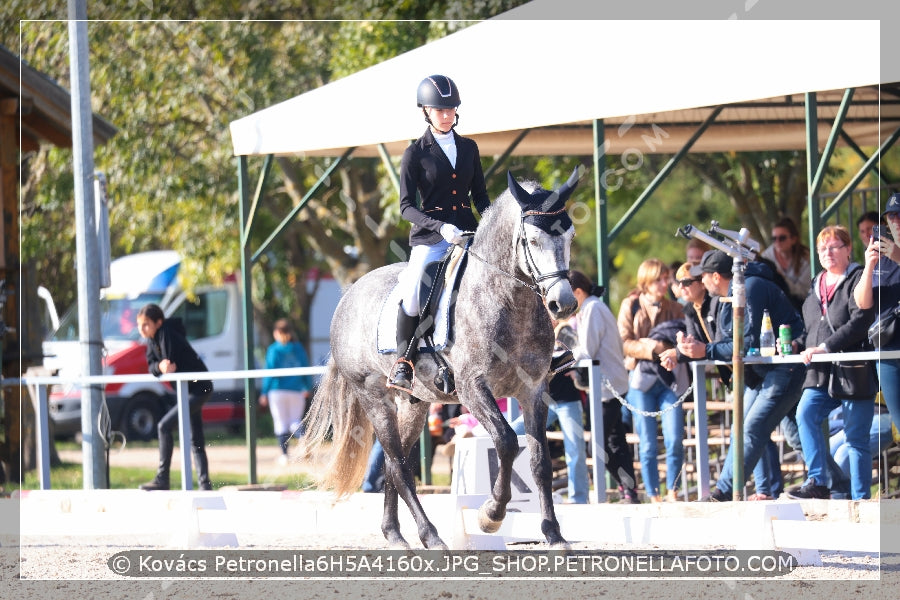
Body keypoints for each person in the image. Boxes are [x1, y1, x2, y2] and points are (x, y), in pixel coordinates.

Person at [387, 74, 490, 392]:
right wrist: (440, 226)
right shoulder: (415, 153)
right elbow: (406, 207)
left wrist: (490, 223)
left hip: (469, 232)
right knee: (415, 290)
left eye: (451, 110)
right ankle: (404, 361)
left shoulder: (469, 147)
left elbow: (481, 197)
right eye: (440, 110)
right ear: (426, 112)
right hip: (431, 237)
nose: (447, 115)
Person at [678, 250, 807, 502]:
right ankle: (833, 482)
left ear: (716, 277)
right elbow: (731, 342)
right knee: (782, 434)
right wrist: (692, 348)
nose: (700, 282)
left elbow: (743, 342)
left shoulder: (748, 288)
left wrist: (704, 350)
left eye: (702, 276)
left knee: (752, 428)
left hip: (781, 369)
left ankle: (725, 493)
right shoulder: (733, 293)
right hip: (764, 372)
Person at [790, 226, 877, 500]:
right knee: (805, 413)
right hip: (821, 373)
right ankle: (818, 480)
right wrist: (797, 343)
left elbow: (861, 321)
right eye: (822, 248)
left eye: (834, 246)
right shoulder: (816, 283)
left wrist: (826, 347)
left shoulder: (857, 278)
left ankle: (860, 499)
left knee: (856, 439)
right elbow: (813, 328)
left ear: (849, 249)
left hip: (854, 369)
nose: (828, 252)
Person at [566, 269, 639, 503]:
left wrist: (559, 360)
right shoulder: (589, 308)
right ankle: (629, 491)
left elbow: (586, 350)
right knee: (615, 441)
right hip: (607, 386)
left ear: (578, 292)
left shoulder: (593, 308)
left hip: (608, 388)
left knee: (596, 446)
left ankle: (625, 488)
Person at [618, 259, 685, 503]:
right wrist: (652, 349)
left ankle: (673, 492)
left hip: (670, 379)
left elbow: (685, 340)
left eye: (666, 279)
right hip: (641, 379)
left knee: (675, 438)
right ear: (646, 281)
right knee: (647, 444)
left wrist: (663, 348)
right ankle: (654, 495)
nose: (664, 283)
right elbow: (623, 342)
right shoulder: (631, 304)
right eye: (659, 279)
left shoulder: (676, 308)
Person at [136, 303, 213, 491]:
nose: (142, 328)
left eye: (146, 324)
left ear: (158, 322)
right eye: (140, 324)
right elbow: (153, 365)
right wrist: (159, 367)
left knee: (163, 426)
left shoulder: (166, 333)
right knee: (196, 438)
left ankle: (162, 479)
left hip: (199, 388)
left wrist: (163, 366)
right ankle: (205, 485)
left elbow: (169, 362)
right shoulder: (152, 340)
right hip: (187, 391)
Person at [854, 192, 900, 435]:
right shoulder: (881, 258)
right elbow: (863, 303)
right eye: (891, 216)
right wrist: (869, 265)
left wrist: (898, 256)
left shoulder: (894, 254)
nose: (896, 221)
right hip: (888, 348)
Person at [258, 319, 313, 465]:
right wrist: (307, 387)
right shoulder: (298, 348)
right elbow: (305, 369)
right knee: (295, 421)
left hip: (277, 391)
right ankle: (304, 444)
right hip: (296, 391)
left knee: (281, 422)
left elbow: (270, 371)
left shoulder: (274, 349)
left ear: (276, 333)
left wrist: (264, 392)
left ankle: (284, 455)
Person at [760, 216, 811, 309]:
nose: (777, 242)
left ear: (794, 239)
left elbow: (805, 292)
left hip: (800, 305)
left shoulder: (806, 258)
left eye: (782, 238)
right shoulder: (766, 257)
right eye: (774, 239)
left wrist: (783, 279)